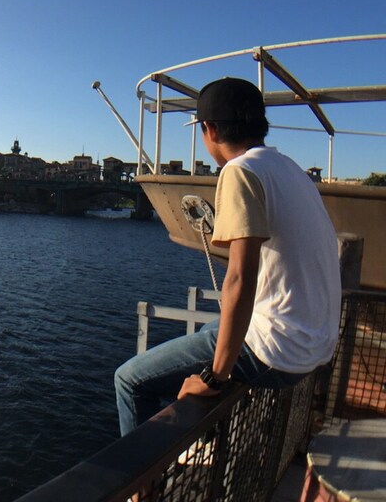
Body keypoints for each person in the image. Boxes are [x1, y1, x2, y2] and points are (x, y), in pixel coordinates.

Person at [114, 77, 342, 436]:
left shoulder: (239, 171)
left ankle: (147, 470)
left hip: (278, 351)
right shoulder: (291, 170)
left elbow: (240, 277)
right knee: (211, 329)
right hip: (314, 346)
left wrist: (215, 377)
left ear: (210, 129)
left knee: (130, 379)